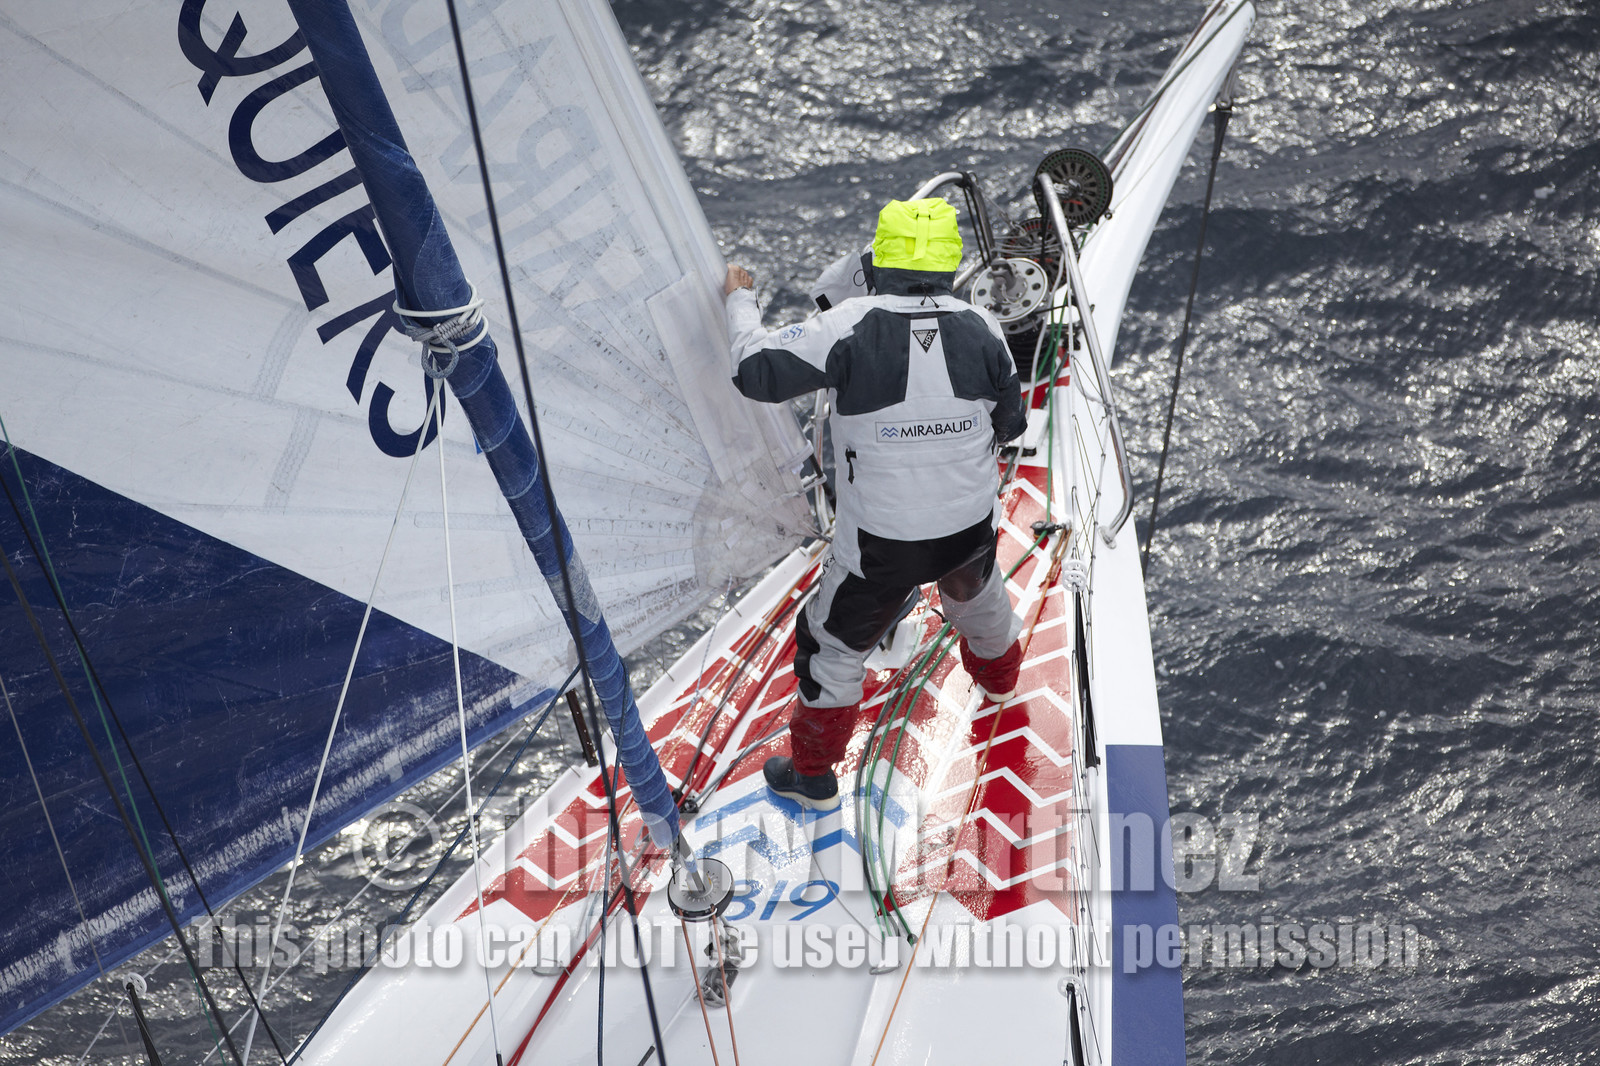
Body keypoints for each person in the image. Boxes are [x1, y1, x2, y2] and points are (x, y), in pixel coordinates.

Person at [723, 197, 1027, 811]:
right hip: (967, 527)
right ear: (952, 263)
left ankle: (811, 777)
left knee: (830, 643)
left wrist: (739, 299)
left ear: (879, 257)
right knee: (978, 594)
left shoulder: (847, 326)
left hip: (881, 547)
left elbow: (755, 372)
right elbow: (1012, 427)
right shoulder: (985, 328)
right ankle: (999, 687)